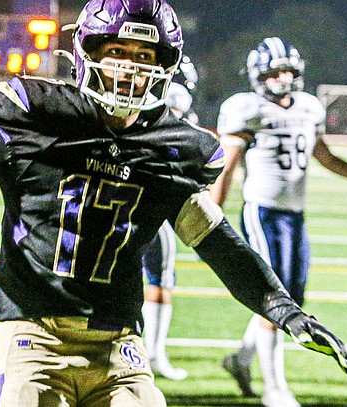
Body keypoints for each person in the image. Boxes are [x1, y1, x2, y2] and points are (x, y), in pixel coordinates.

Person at [0, 1, 347, 406]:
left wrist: (283, 309)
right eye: (118, 52)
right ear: (89, 53)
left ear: (164, 65)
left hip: (120, 348)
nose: (130, 68)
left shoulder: (169, 147)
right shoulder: (34, 114)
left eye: (144, 57)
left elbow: (218, 242)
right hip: (33, 336)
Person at [211, 37, 347, 407]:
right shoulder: (247, 109)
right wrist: (211, 215)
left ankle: (240, 360)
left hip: (295, 215)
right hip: (262, 212)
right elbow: (227, 165)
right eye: (275, 71)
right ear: (259, 75)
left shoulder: (309, 108)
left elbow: (322, 154)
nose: (282, 77)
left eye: (288, 71)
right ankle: (275, 388)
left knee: (292, 297)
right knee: (276, 297)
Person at [141, 54, 198, 382]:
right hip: (154, 200)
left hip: (132, 196)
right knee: (160, 277)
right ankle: (154, 354)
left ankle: (148, 353)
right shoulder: (173, 98)